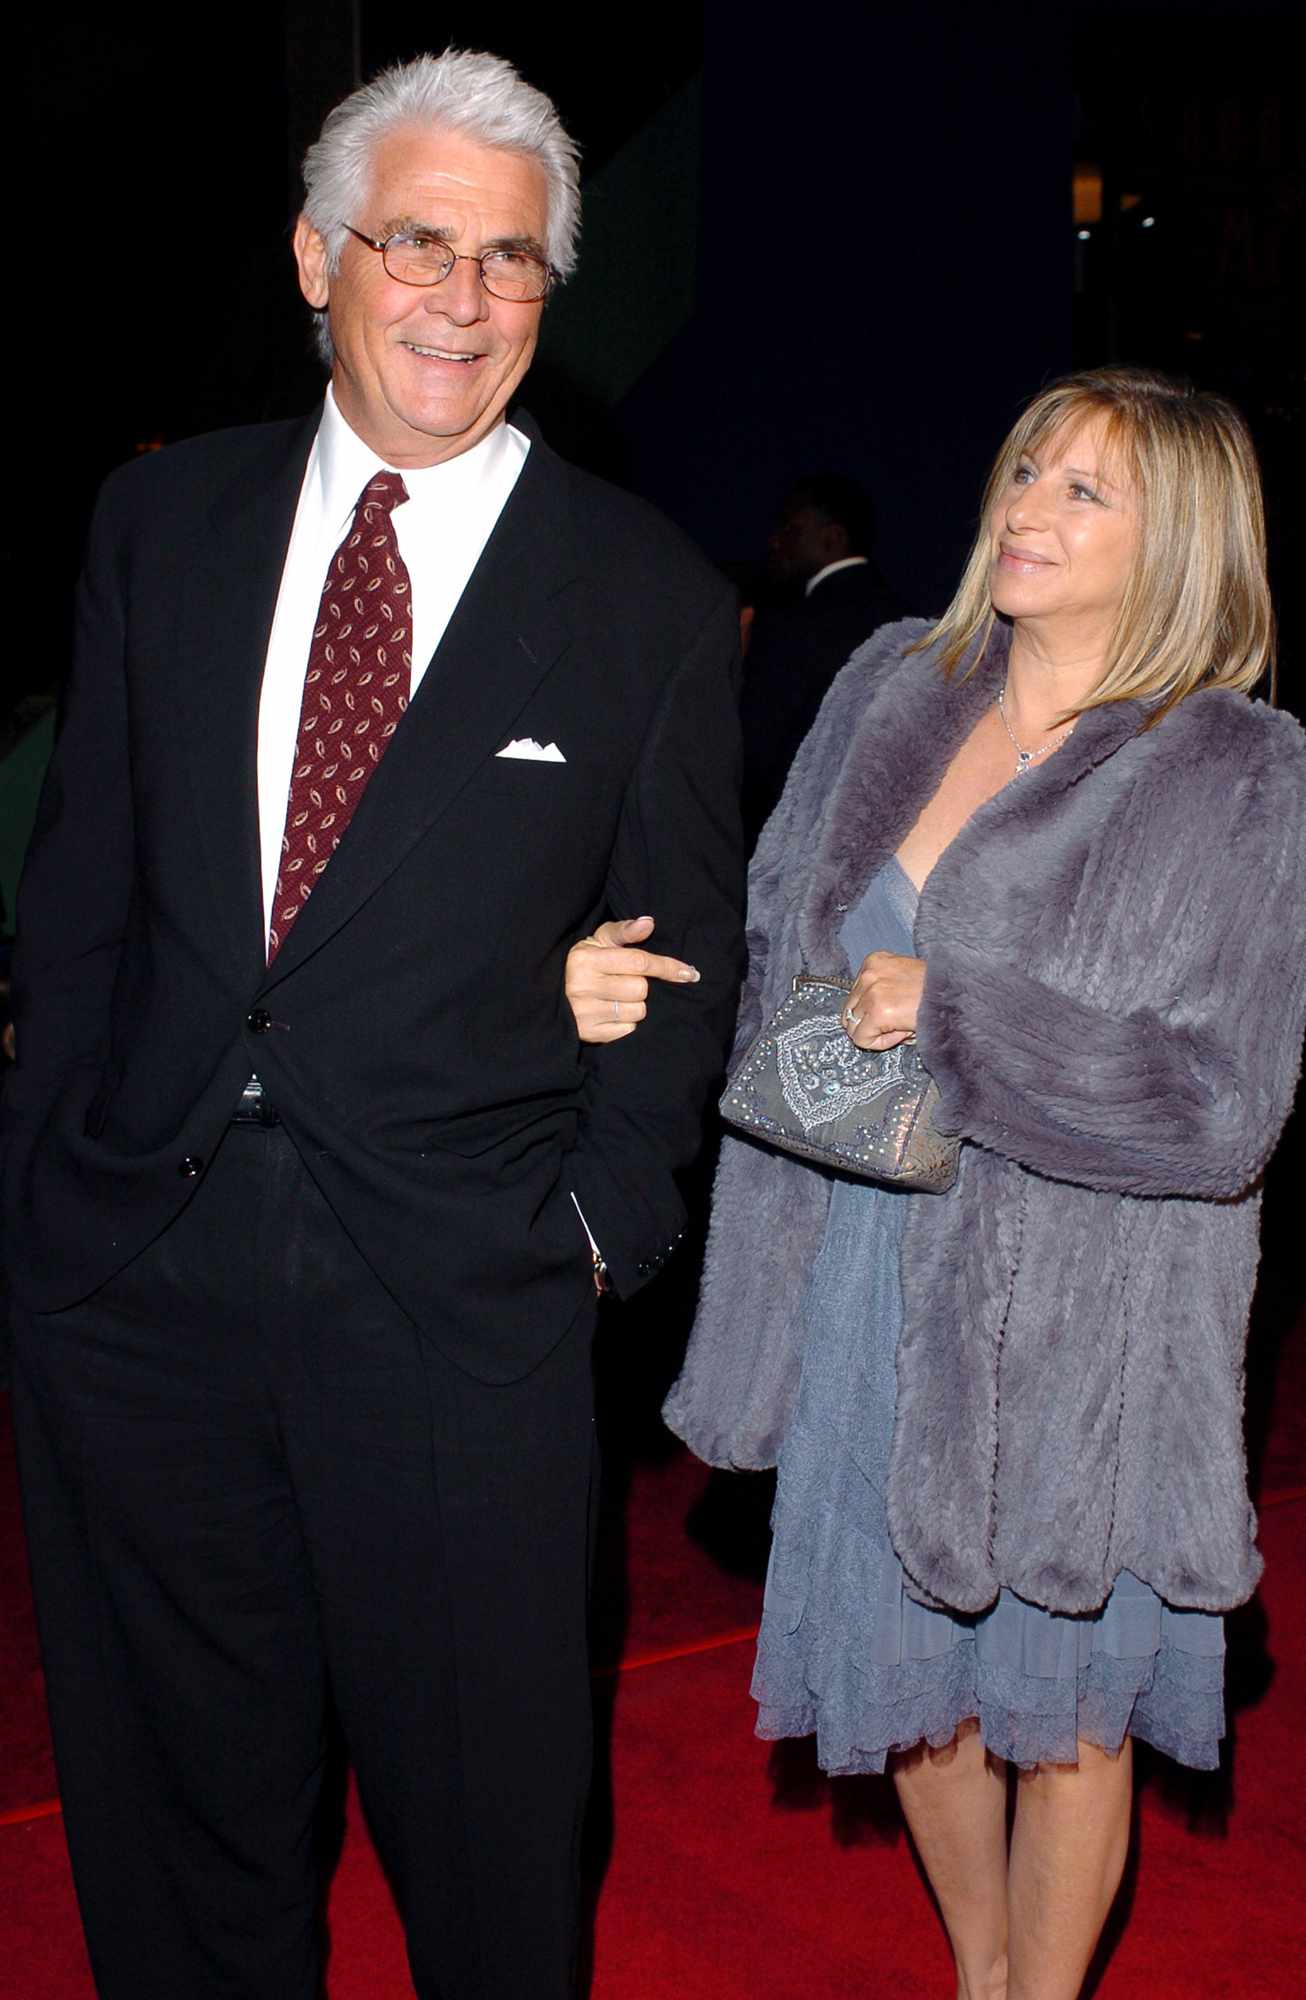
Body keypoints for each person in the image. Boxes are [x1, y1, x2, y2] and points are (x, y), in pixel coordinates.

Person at [2, 49, 744, 2000]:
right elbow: (80, 895)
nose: (461, 296)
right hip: (135, 1295)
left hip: (458, 1316)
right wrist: (40, 1208)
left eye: (509, 260)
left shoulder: (643, 597)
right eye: (418, 240)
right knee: (178, 1834)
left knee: (490, 1854)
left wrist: (599, 1228)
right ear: (320, 254)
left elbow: (667, 956)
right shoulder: (157, 530)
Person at [572, 367, 1306, 1999]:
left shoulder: (1236, 770)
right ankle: (978, 1969)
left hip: (1084, 1316)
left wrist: (964, 1020)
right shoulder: (893, 689)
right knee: (909, 1688)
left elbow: (1224, 1105)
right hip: (856, 1280)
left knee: (1063, 1710)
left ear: (1178, 537)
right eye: (1026, 469)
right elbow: (775, 959)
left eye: (1084, 492)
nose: (1027, 506)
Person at [740, 473, 903, 845]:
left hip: (787, 840)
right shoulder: (908, 621)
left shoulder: (789, 624)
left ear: (832, 537)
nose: (776, 541)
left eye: (791, 529)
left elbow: (756, 753)